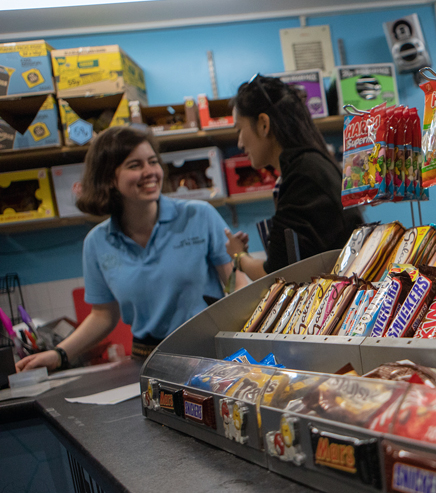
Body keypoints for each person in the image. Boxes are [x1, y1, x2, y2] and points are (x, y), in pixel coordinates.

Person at [16, 126, 241, 372]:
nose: (150, 173)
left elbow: (236, 283)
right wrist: (59, 355)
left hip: (211, 355)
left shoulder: (199, 216)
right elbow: (103, 316)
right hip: (148, 361)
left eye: (153, 162)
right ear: (109, 178)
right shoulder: (97, 242)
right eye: (135, 165)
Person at [225, 74, 362, 282]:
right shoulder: (308, 166)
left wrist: (238, 256)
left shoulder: (303, 175)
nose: (240, 143)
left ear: (263, 124)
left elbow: (275, 275)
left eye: (239, 129)